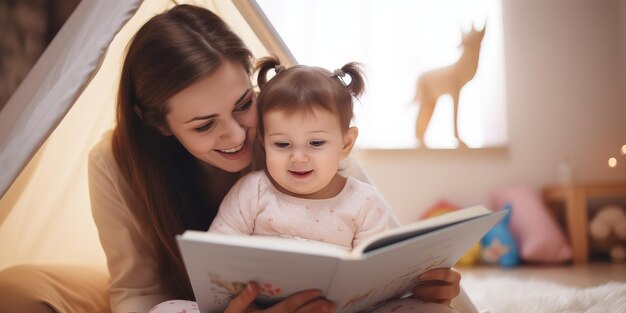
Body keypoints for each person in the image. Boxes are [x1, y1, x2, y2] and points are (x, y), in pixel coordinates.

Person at [0, 4, 461, 313]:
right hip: (186, 303)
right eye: (203, 125)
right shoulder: (116, 163)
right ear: (159, 124)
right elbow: (138, 293)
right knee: (15, 291)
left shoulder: (291, 132)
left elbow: (379, 244)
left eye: (244, 102)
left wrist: (418, 278)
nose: (238, 133)